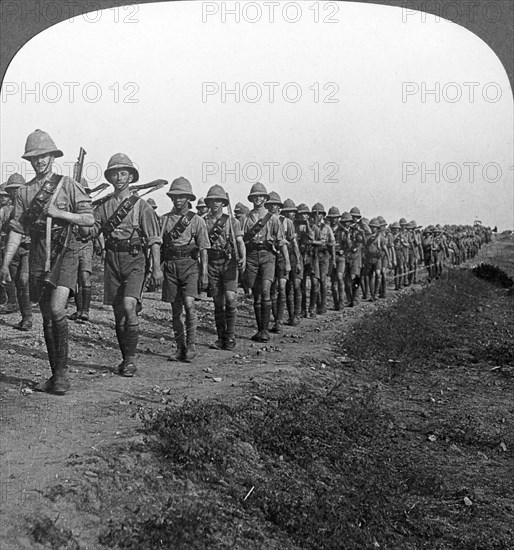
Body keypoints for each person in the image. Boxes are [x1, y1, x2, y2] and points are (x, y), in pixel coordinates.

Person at [0, 129, 94, 395]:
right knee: (46, 315)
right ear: (30, 161)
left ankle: (62, 375)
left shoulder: (67, 185)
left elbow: (89, 220)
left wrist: (60, 213)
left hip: (66, 249)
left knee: (56, 309)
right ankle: (55, 375)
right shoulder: (25, 192)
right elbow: (17, 230)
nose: (40, 161)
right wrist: (5, 263)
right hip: (40, 251)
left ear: (52, 156)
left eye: (44, 156)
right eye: (35, 157)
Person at [91, 153, 163, 376]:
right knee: (118, 313)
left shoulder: (142, 207)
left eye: (123, 173)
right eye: (115, 173)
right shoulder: (103, 207)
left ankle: (130, 360)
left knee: (129, 306)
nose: (119, 177)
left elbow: (153, 240)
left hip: (135, 259)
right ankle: (124, 358)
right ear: (110, 177)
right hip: (112, 259)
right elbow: (92, 229)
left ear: (131, 176)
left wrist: (157, 268)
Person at [160, 177, 209, 361]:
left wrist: (204, 273)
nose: (178, 200)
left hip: (190, 265)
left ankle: (192, 346)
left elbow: (203, 248)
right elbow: (158, 244)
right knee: (175, 310)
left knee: (189, 305)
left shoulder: (197, 221)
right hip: (171, 266)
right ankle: (180, 347)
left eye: (182, 196)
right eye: (175, 197)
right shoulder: (164, 220)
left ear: (188, 198)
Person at [241, 182, 289, 342]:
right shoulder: (245, 218)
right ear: (251, 198)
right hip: (251, 256)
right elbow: (240, 240)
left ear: (265, 198)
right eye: (255, 196)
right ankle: (260, 329)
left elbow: (281, 241)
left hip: (268, 256)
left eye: (261, 196)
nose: (258, 199)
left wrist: (287, 262)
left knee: (266, 291)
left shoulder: (273, 218)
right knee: (256, 294)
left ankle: (265, 331)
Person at [204, 184, 246, 350]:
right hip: (212, 263)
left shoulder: (232, 221)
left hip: (229, 263)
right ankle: (220, 337)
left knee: (230, 299)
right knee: (217, 302)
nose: (215, 204)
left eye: (219, 201)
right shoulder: (203, 221)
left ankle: (230, 336)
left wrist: (242, 256)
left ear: (223, 203)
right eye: (212, 201)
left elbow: (240, 241)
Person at [1, 174, 33, 329]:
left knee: (24, 281)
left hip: (27, 248)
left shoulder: (30, 206)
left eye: (18, 189)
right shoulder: (5, 211)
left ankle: (28, 318)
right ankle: (24, 316)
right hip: (11, 250)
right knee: (17, 283)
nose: (15, 193)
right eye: (12, 190)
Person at [266, 192, 300, 332]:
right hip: (269, 256)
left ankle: (281, 320)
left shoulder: (287, 222)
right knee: (271, 289)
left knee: (282, 287)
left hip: (283, 257)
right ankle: (276, 319)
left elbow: (294, 242)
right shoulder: (264, 220)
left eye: (275, 205)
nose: (273, 207)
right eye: (270, 205)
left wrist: (297, 260)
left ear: (279, 207)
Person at [69, 177, 95, 322]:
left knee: (84, 277)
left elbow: (94, 228)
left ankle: (85, 310)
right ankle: (79, 310)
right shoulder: (69, 206)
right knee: (75, 280)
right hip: (72, 244)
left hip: (86, 244)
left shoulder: (92, 207)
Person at [281, 198, 303, 325]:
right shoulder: (282, 222)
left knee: (296, 285)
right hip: (284, 256)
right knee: (288, 287)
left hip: (295, 257)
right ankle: (291, 316)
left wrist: (299, 261)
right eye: (289, 211)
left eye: (293, 211)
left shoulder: (300, 225)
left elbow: (295, 245)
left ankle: (297, 314)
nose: (292, 213)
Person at [311, 203, 335, 315]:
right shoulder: (311, 226)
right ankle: (315, 305)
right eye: (316, 213)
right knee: (315, 281)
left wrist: (333, 259)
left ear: (323, 215)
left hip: (324, 255)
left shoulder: (327, 228)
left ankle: (323, 305)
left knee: (323, 280)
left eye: (320, 213)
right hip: (314, 255)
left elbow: (332, 243)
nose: (318, 215)